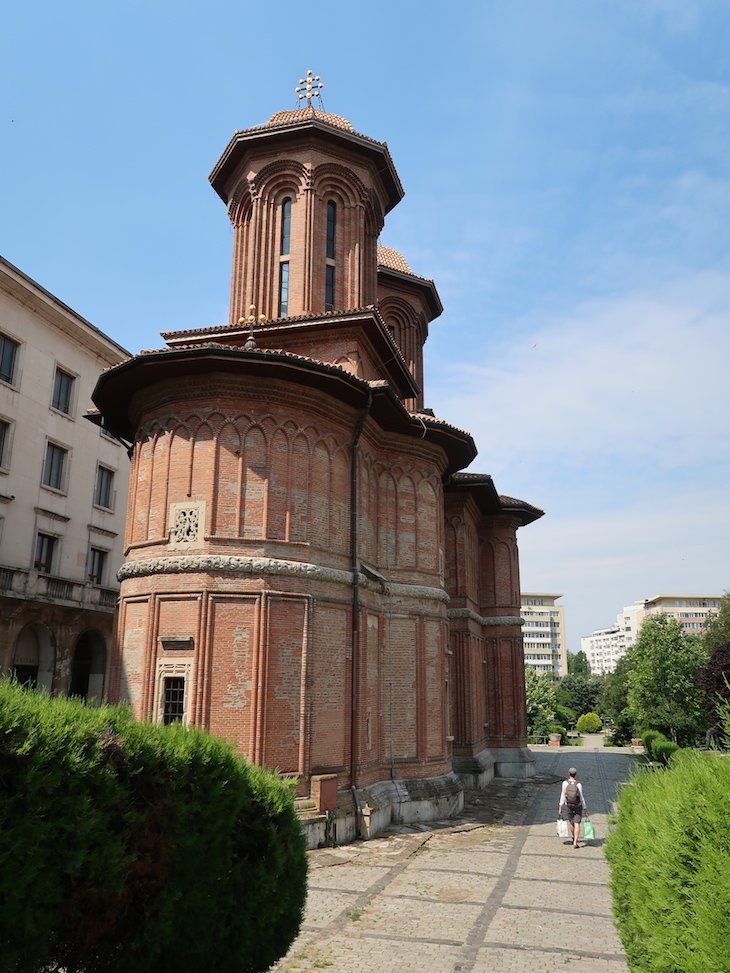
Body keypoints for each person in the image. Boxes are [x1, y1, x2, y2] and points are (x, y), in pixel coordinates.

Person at [558, 767, 587, 849]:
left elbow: (562, 795)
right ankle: (575, 842)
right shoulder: (578, 784)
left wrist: (560, 806)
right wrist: (585, 808)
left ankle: (573, 837)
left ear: (569, 774)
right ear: (575, 775)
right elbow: (581, 797)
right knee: (577, 823)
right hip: (578, 805)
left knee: (571, 822)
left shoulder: (565, 783)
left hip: (569, 805)